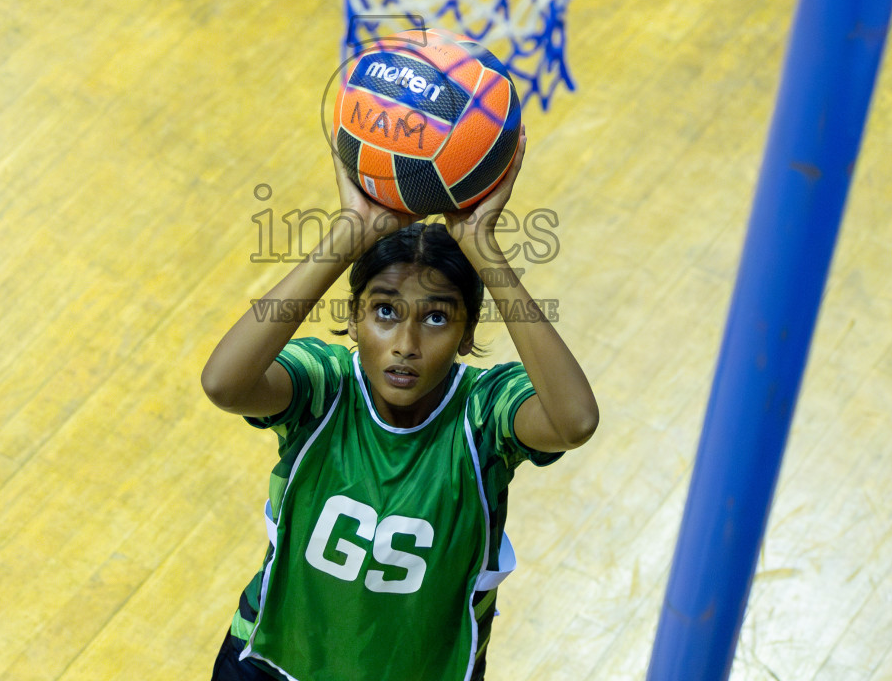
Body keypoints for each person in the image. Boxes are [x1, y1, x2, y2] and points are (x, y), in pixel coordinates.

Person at [202, 130, 598, 681]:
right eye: (384, 311)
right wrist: (350, 233)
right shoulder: (326, 387)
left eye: (436, 317)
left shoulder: (484, 414)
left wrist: (483, 247)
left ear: (465, 334)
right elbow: (224, 383)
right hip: (270, 663)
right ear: (354, 320)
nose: (406, 344)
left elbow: (575, 420)